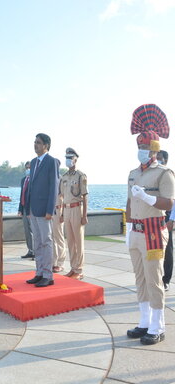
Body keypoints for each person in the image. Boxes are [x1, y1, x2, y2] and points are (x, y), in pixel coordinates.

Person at [126, 104, 175, 345]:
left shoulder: (164, 173)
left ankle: (158, 325)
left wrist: (147, 198)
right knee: (140, 278)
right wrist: (127, 226)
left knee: (154, 279)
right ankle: (144, 320)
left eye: (145, 147)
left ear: (154, 149)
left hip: (154, 232)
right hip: (135, 231)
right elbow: (128, 202)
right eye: (139, 147)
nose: (141, 150)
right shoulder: (133, 173)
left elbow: (168, 203)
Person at [24, 133, 57, 287]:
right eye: (34, 142)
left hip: (45, 210)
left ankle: (48, 275)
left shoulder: (51, 162)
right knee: (37, 242)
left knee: (46, 241)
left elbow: (53, 187)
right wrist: (28, 207)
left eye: (38, 142)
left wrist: (50, 210)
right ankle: (39, 272)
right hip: (33, 209)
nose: (35, 145)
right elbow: (31, 186)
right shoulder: (33, 162)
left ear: (46, 145)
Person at [59, 148, 88, 280]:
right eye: (66, 157)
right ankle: (73, 267)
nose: (68, 160)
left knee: (78, 241)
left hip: (77, 209)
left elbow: (85, 196)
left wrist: (84, 215)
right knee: (70, 241)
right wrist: (61, 213)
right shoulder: (64, 177)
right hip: (66, 209)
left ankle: (79, 269)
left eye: (70, 157)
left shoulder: (81, 176)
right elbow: (61, 197)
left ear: (75, 159)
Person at [157, 150, 173, 291]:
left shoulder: (169, 175)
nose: (157, 161)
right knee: (155, 248)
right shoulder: (153, 176)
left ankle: (166, 279)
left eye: (160, 159)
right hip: (154, 217)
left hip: (167, 218)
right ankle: (156, 277)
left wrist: (172, 220)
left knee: (168, 250)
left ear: (165, 160)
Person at [18, 161, 34, 259]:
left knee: (33, 231)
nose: (27, 170)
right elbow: (22, 195)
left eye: (29, 168)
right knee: (27, 231)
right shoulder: (23, 180)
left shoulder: (34, 180)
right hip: (24, 208)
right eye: (26, 168)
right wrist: (20, 209)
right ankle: (30, 250)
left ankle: (36, 251)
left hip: (31, 209)